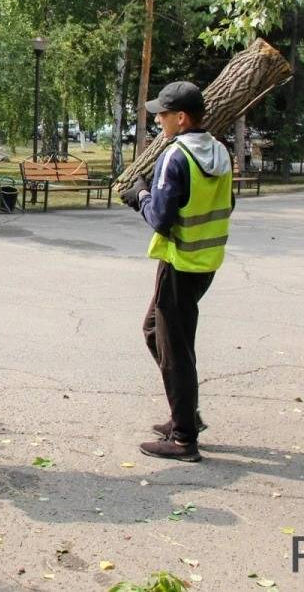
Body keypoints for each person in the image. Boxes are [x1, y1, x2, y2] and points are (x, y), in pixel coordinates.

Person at [120, 81, 233, 463]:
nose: (158, 120)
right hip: (205, 261)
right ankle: (185, 413)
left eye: (162, 115)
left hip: (180, 262)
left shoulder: (177, 155)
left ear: (180, 118)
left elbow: (161, 219)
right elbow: (227, 203)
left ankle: (184, 438)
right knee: (156, 331)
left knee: (175, 350)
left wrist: (141, 196)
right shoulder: (219, 151)